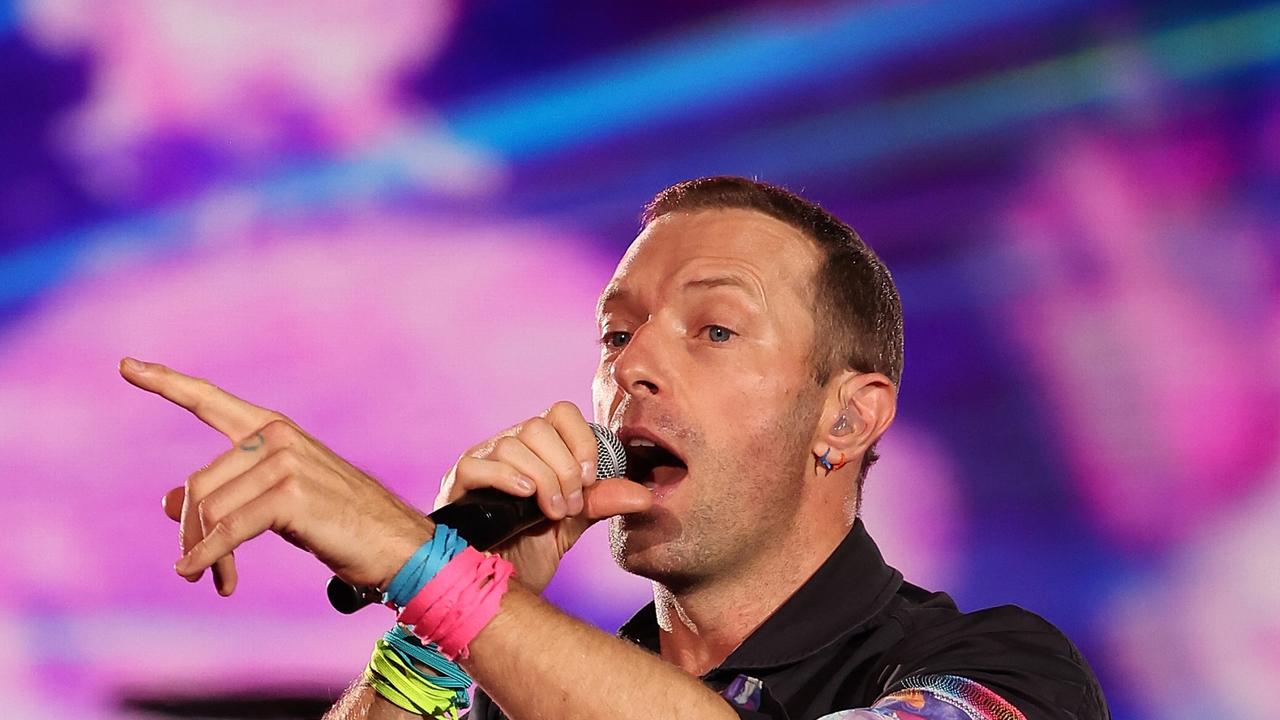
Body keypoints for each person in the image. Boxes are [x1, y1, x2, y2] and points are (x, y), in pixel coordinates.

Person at [123, 176, 1109, 720]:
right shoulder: (523, 689)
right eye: (615, 334)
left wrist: (418, 567)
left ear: (845, 420)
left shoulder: (999, 672)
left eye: (712, 329)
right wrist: (433, 631)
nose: (631, 367)